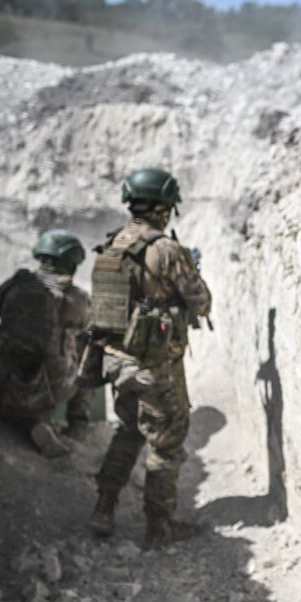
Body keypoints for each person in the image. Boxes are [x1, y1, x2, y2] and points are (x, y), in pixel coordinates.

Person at [85, 167, 212, 547]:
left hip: (116, 363)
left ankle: (103, 508)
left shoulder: (111, 247)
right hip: (155, 367)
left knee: (127, 431)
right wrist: (192, 272)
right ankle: (159, 527)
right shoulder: (167, 250)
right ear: (165, 207)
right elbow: (201, 303)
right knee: (165, 444)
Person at [0, 229, 92, 457]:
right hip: (57, 387)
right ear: (73, 264)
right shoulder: (80, 299)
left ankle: (29, 423)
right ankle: (77, 428)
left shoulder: (18, 284)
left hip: (9, 381)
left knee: (11, 401)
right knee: (89, 357)